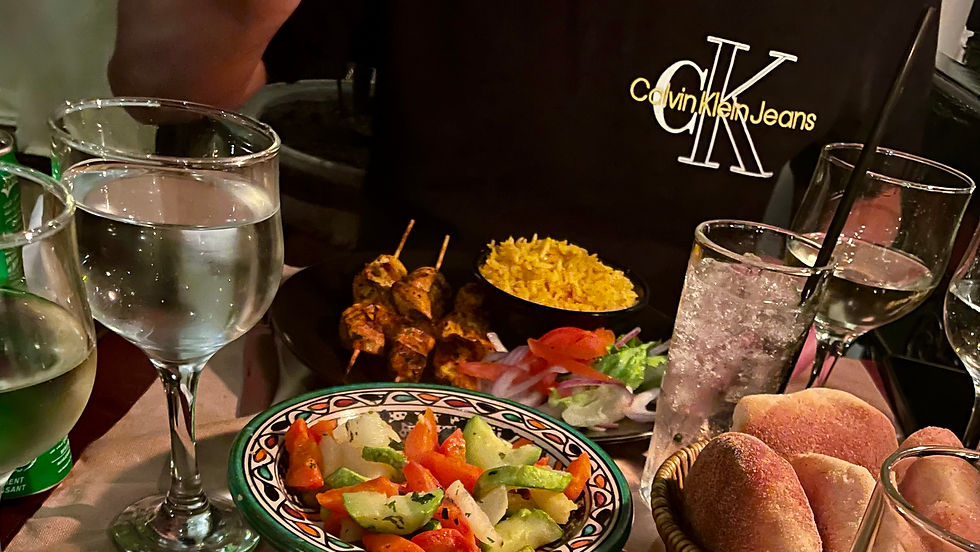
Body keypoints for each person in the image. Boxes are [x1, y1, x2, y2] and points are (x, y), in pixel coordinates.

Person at [110, 0, 937, 319]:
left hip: (663, 418)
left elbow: (873, 199)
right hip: (390, 360)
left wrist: (817, 331)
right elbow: (159, 83)